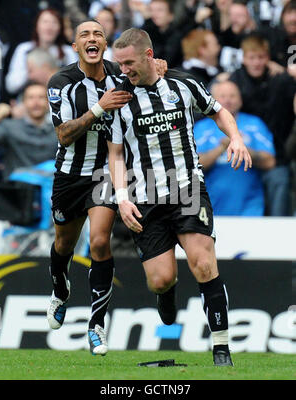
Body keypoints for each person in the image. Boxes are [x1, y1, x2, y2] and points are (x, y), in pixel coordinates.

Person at [106, 27, 252, 366]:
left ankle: (221, 348)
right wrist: (122, 198)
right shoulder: (119, 101)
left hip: (187, 188)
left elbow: (218, 111)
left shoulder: (182, 85)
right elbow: (116, 155)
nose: (123, 70)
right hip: (145, 198)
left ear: (148, 55)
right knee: (160, 279)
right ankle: (166, 293)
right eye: (120, 64)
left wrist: (235, 138)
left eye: (128, 62)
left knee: (203, 263)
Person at [46, 19, 166, 357]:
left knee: (100, 241)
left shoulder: (119, 74)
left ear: (105, 42)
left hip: (107, 173)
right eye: (84, 34)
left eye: (97, 33)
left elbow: (148, 73)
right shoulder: (62, 82)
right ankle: (60, 287)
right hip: (69, 175)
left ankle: (96, 325)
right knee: (63, 244)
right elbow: (64, 134)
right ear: (75, 46)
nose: (91, 38)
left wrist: (160, 67)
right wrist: (99, 107)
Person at [229, 33, 296, 215]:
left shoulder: (280, 79)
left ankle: (279, 229)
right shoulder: (233, 81)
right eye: (252, 58)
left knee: (279, 180)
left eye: (261, 57)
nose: (257, 62)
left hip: (278, 152)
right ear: (243, 59)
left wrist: (286, 71)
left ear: (267, 58)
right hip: (244, 155)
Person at [194, 80, 276, 216]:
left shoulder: (254, 124)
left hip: (250, 207)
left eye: (232, 96)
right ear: (212, 100)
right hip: (211, 208)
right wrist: (222, 147)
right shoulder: (201, 127)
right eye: (223, 96)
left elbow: (270, 162)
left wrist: (241, 147)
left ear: (240, 100)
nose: (228, 100)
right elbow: (193, 165)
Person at [5, 8, 78, 96]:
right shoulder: (24, 49)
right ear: (37, 26)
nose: (49, 27)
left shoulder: (68, 52)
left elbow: (77, 85)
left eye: (54, 22)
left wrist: (51, 76)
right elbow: (10, 86)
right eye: (45, 22)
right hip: (27, 101)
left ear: (60, 28)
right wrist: (30, 74)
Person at [0, 81, 57, 180]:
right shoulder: (9, 127)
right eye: (31, 97)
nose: (36, 102)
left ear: (48, 102)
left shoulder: (58, 131)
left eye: (41, 97)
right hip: (17, 189)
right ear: (23, 102)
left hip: (49, 189)